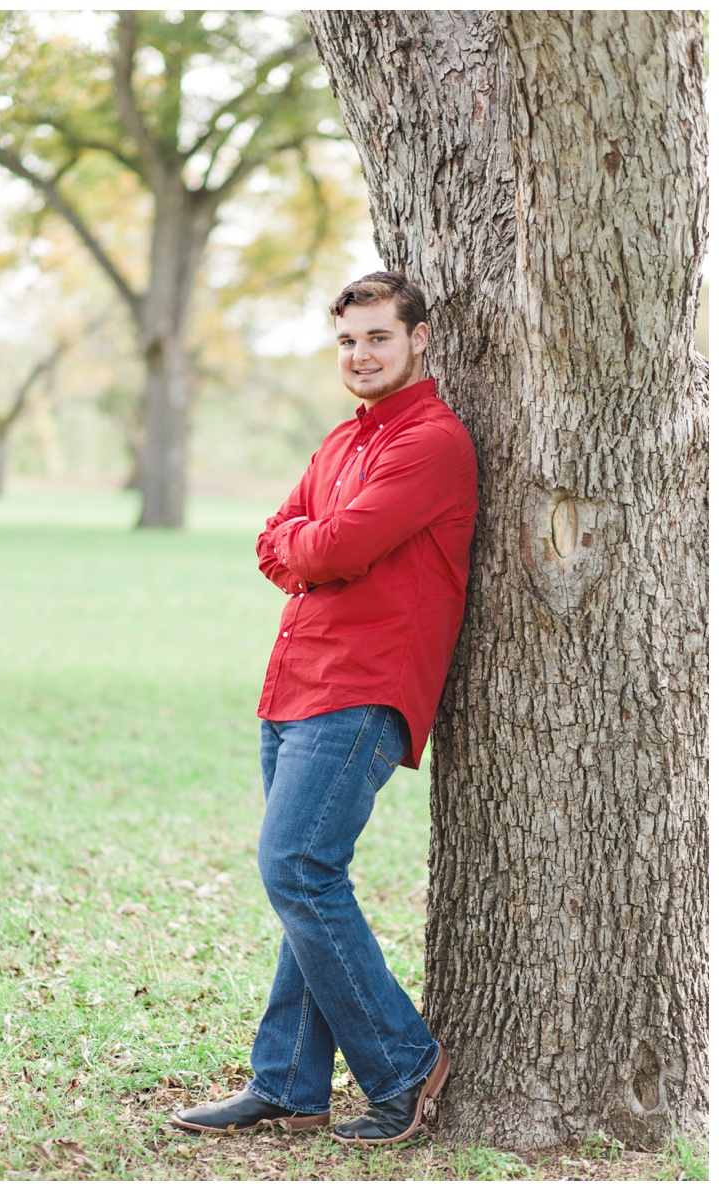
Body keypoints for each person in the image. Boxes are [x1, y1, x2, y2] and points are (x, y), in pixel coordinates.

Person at [172, 271, 478, 1145]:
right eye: (347, 341)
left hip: (364, 687)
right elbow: (277, 536)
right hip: (294, 684)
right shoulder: (343, 443)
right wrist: (311, 547)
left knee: (297, 867)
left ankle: (403, 1062)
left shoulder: (434, 442)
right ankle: (290, 1085)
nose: (361, 354)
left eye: (378, 337)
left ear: (419, 338)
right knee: (303, 878)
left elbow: (333, 542)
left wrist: (312, 546)